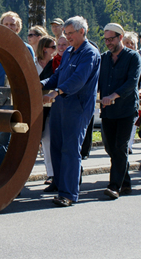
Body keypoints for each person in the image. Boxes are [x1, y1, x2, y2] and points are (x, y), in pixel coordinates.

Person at [41, 17, 101, 206]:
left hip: (77, 107)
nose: (66, 37)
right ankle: (60, 186)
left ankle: (69, 194)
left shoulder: (90, 53)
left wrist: (57, 92)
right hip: (60, 106)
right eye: (65, 33)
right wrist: (38, 84)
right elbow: (57, 76)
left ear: (82, 32)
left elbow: (78, 79)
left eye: (70, 33)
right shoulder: (67, 52)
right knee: (56, 146)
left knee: (70, 149)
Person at [0, 11, 35, 180]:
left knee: (2, 136)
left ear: (18, 27)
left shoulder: (26, 48)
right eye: (6, 24)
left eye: (13, 24)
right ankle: (2, 170)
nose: (9, 27)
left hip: (13, 97)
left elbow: (30, 73)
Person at [98, 23, 141, 199]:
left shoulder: (133, 57)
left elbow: (132, 82)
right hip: (108, 111)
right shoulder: (104, 58)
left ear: (120, 38)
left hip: (125, 110)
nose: (108, 42)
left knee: (120, 146)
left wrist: (114, 96)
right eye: (106, 39)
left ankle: (114, 185)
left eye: (111, 39)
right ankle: (125, 182)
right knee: (111, 148)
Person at [36, 36, 57, 186]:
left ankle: (51, 174)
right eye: (53, 47)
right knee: (41, 138)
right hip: (37, 106)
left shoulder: (56, 63)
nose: (56, 49)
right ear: (45, 49)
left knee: (48, 139)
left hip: (53, 104)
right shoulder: (33, 63)